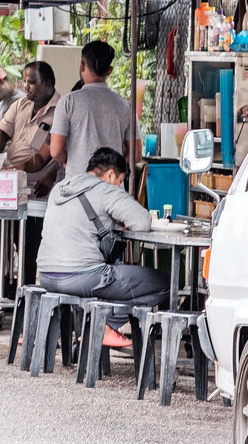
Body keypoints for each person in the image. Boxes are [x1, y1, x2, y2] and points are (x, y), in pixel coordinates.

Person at [38, 147, 167, 348]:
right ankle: (106, 326)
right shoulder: (104, 189)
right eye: (120, 181)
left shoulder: (60, 188)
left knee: (114, 286)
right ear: (110, 175)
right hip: (83, 276)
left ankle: (99, 325)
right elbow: (142, 221)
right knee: (165, 282)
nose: (120, 187)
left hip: (47, 276)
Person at [0, 61, 61, 283]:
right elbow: (1, 134)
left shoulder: (61, 110)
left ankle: (27, 289)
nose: (27, 86)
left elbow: (55, 154)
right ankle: (8, 287)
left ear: (48, 84)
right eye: (26, 81)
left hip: (41, 188)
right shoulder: (19, 105)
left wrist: (51, 176)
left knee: (30, 245)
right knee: (4, 239)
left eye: (32, 82)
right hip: (11, 184)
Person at [50, 40, 141, 175]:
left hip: (78, 187)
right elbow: (136, 154)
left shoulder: (67, 102)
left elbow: (56, 151)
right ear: (109, 71)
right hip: (111, 188)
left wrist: (73, 161)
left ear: (82, 66)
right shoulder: (125, 106)